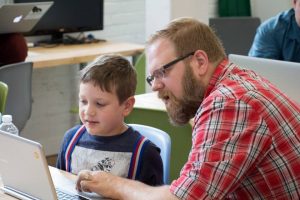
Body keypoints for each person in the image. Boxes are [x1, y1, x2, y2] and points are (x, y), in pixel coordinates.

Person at [76, 18, 300, 199]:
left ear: (200, 62)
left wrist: (111, 184)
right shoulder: (236, 82)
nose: (155, 86)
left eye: (162, 72)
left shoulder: (229, 102)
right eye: (151, 77)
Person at [56, 54, 163, 186]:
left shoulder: (145, 153)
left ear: (127, 106)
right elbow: (60, 187)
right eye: (83, 101)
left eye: (100, 104)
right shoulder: (70, 140)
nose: (88, 111)